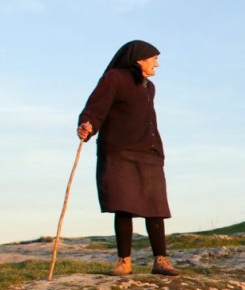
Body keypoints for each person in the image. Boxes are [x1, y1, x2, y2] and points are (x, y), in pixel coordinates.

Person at [76, 40, 177, 277]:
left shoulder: (149, 87)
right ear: (139, 59)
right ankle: (124, 262)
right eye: (154, 59)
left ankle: (160, 261)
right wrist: (87, 123)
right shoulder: (115, 78)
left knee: (156, 207)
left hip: (148, 152)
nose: (157, 64)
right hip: (120, 151)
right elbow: (96, 106)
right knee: (124, 205)